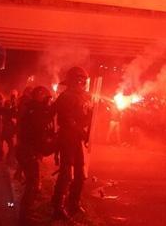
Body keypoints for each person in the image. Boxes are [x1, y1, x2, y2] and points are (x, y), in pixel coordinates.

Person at [51, 66, 93, 220]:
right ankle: (58, 206)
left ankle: (73, 202)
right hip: (67, 137)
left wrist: (91, 119)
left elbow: (86, 116)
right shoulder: (66, 97)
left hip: (77, 139)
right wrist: (79, 129)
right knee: (66, 173)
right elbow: (66, 118)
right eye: (79, 80)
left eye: (83, 80)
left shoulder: (85, 97)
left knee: (80, 174)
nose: (82, 83)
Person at [16, 86, 55, 224]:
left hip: (26, 150)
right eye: (47, 98)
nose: (48, 102)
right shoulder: (36, 112)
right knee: (32, 184)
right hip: (28, 151)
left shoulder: (34, 109)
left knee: (32, 183)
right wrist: (53, 144)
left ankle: (26, 214)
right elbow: (39, 137)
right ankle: (24, 217)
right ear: (41, 96)